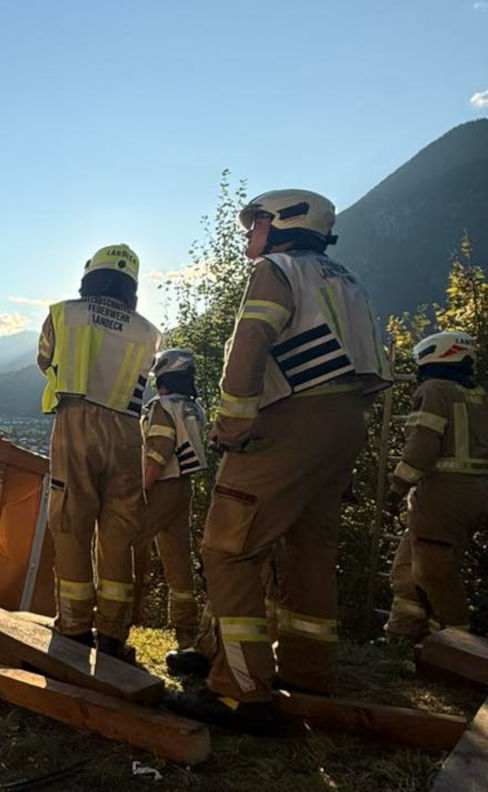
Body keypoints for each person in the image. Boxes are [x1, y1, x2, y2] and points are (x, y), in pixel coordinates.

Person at [174, 189, 391, 733]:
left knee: (229, 548)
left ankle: (240, 691)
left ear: (284, 224)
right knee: (310, 549)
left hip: (290, 418)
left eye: (255, 224)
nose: (250, 235)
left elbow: (252, 340)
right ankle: (309, 675)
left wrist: (233, 422)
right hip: (344, 422)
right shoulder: (346, 279)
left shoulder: (278, 268)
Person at [38, 244, 161, 659]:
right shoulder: (148, 330)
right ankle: (113, 634)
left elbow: (44, 360)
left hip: (77, 422)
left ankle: (73, 626)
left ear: (90, 276)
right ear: (133, 286)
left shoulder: (64, 314)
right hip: (127, 430)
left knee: (71, 520)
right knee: (120, 530)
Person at [385, 331, 488, 641]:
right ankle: (403, 637)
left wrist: (397, 487)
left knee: (434, 574)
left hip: (444, 497)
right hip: (476, 493)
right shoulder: (479, 395)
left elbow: (421, 448)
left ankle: (458, 649)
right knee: (406, 569)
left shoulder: (434, 390)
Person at [130, 349, 209, 670]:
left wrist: (142, 488)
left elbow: (158, 451)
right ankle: (185, 629)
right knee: (178, 557)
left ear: (160, 377)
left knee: (124, 544)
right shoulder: (193, 407)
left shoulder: (160, 407)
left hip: (160, 486)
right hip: (183, 487)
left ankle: (116, 620)